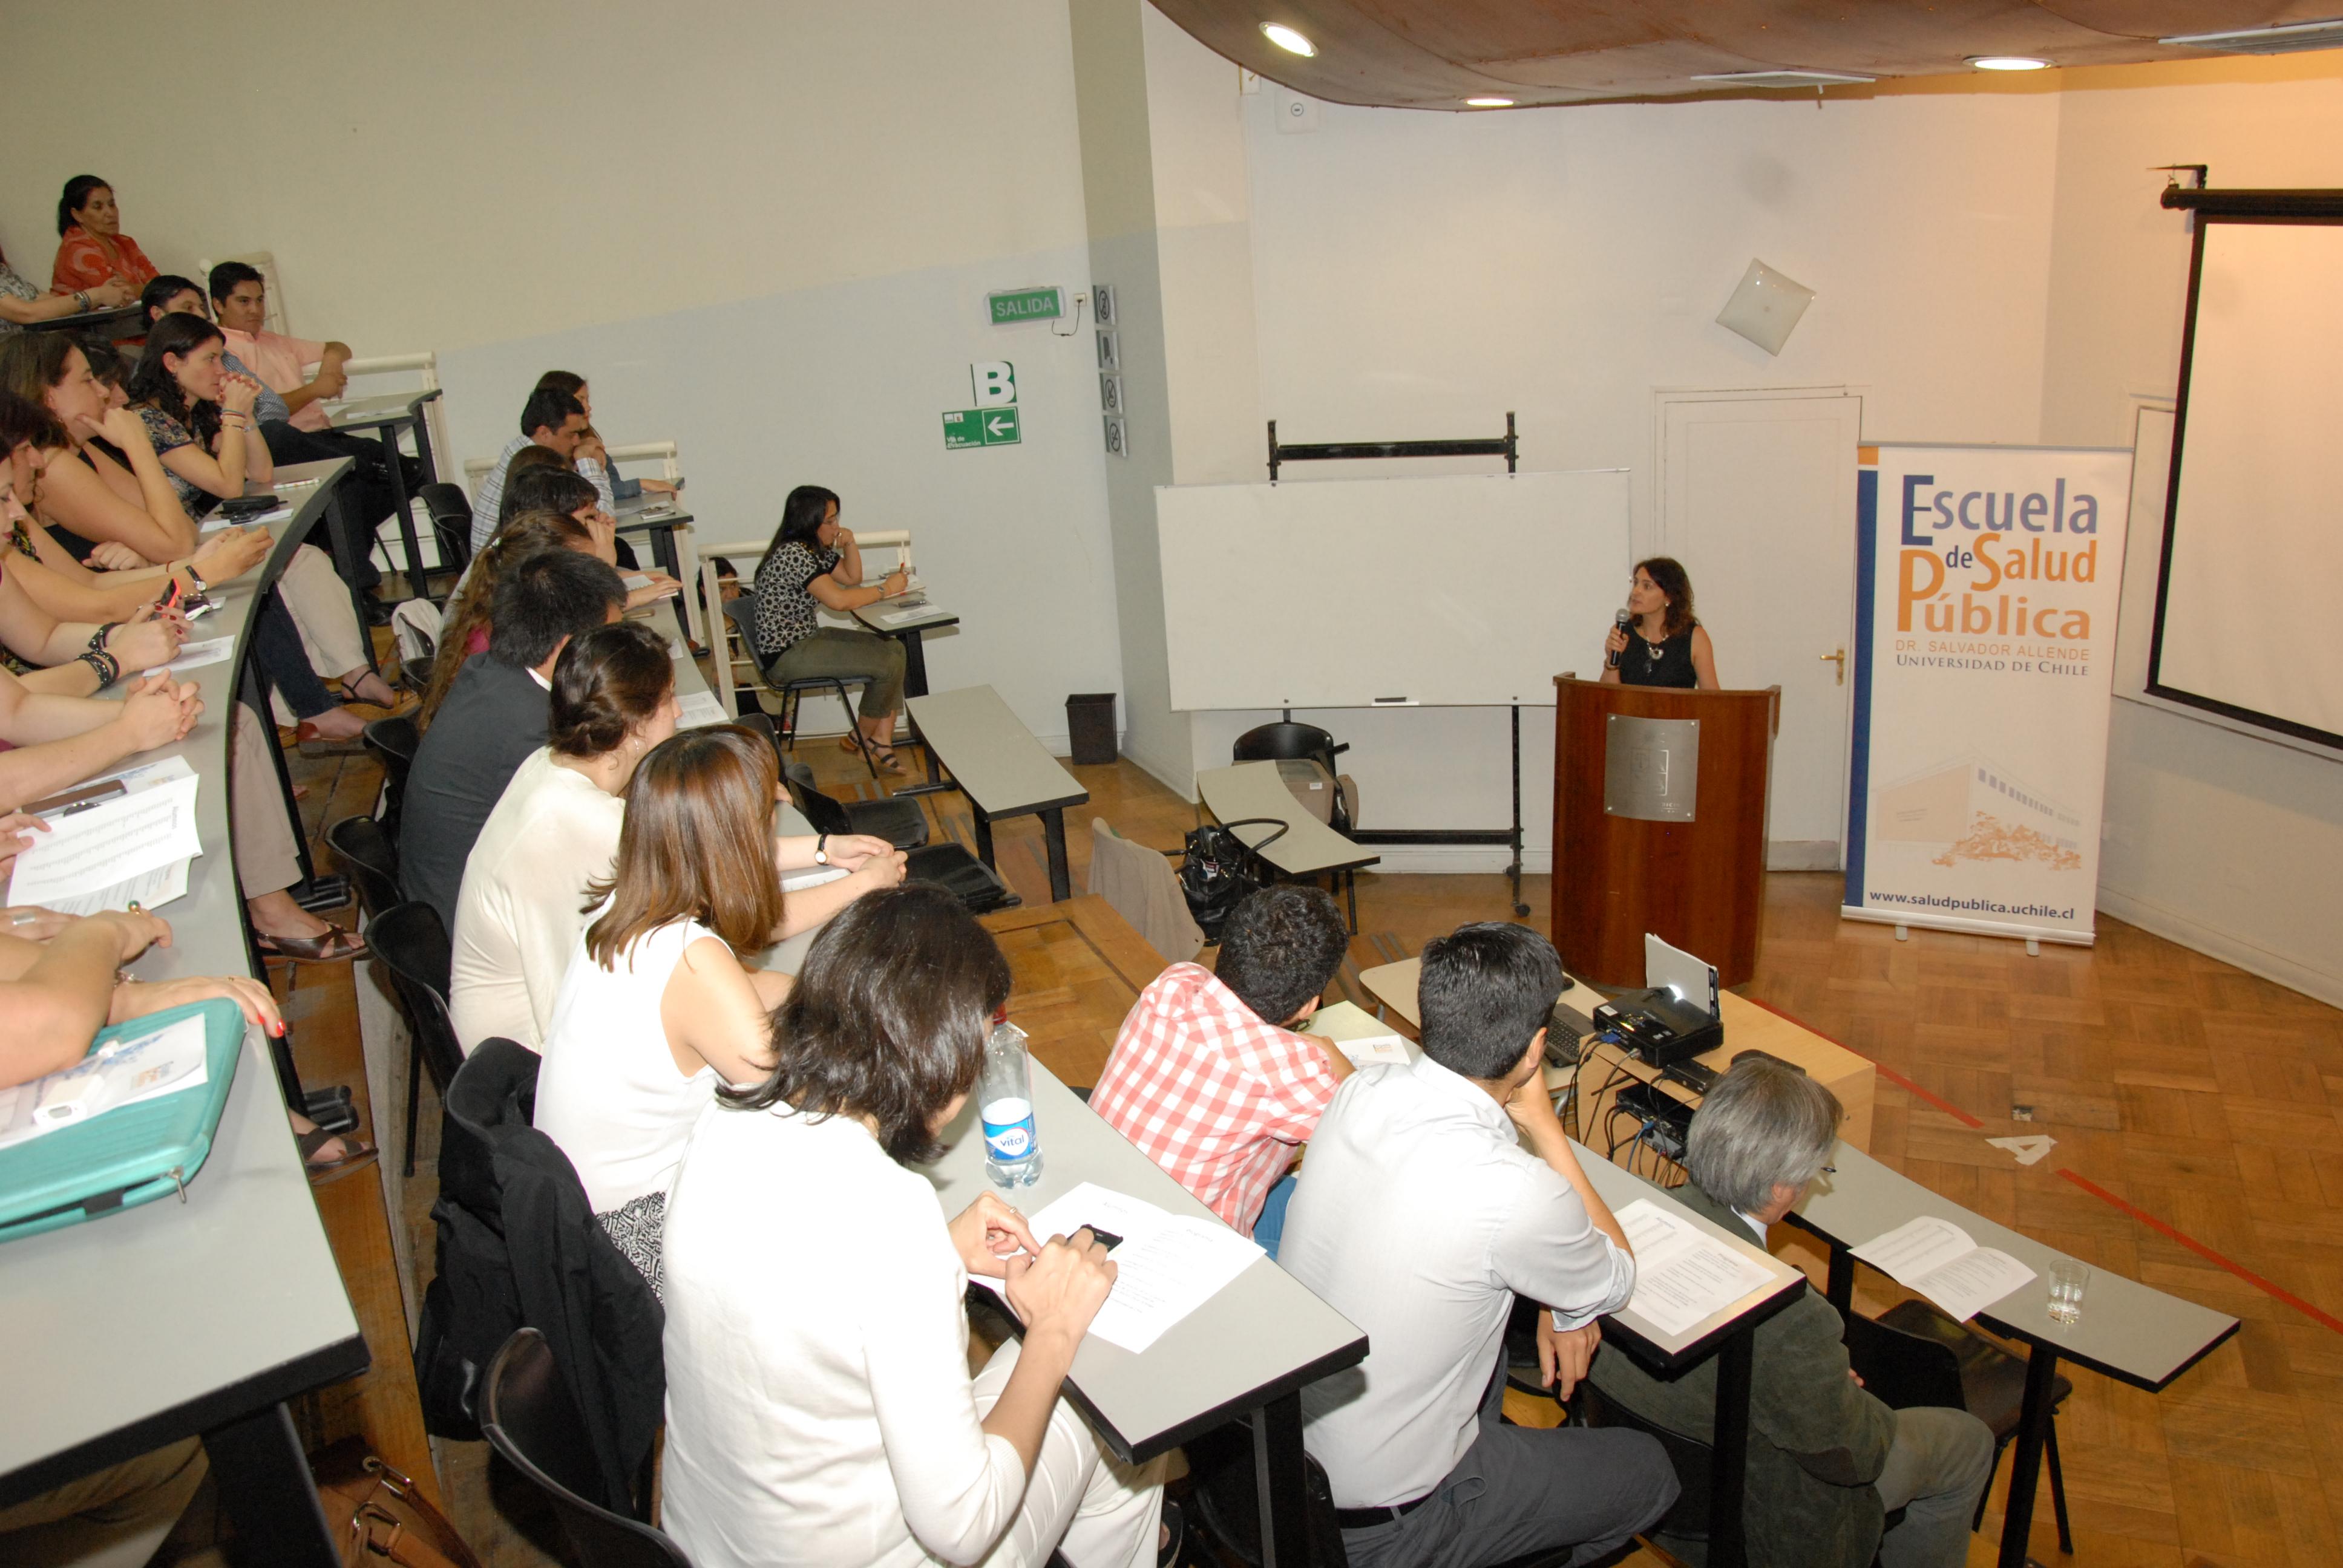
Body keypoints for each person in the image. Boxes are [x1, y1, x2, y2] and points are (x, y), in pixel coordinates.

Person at [660, 883, 1169, 1568]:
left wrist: (941, 1251)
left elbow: (808, 1292)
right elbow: (961, 1528)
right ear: (944, 1058)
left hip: (713, 1542)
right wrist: (1053, 1328)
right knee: (1105, 1389)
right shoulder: (889, 1216)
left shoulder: (726, 1120)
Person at [1279, 921, 1676, 1568]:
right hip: (1394, 1525)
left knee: (1485, 1358)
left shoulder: (1358, 1091)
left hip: (1290, 1457)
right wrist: (1546, 1128)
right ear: (1534, 1052)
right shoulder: (1515, 1190)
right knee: (1646, 1469)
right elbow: (1617, 1274)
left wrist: (1559, 1296)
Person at [534, 725, 906, 1292]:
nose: (779, 808)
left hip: (580, 1219)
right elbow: (810, 1117)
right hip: (630, 1250)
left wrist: (831, 999)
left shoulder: (629, 905)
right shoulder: (692, 963)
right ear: (735, 844)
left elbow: (749, 989)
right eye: (765, 816)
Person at [1588, 1058, 1993, 1568]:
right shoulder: (1795, 1321)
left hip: (1639, 1485)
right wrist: (1842, 1395)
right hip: (1759, 1520)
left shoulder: (1620, 1225)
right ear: (1781, 1189)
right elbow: (1855, 1454)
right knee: (1968, 1442)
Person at [448, 623, 895, 1052]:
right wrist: (862, 885)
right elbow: (743, 916)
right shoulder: (586, 823)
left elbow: (702, 848)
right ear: (635, 722)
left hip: (533, 1034)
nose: (679, 712)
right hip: (533, 1060)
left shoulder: (554, 766)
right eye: (668, 699)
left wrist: (823, 850)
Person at [1089, 885, 1352, 1255]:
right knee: (1345, 1233)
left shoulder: (1174, 984)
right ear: (1309, 1007)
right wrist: (1345, 1069)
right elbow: (1372, 1132)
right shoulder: (1286, 1071)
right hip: (1184, 1258)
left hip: (1094, 1211)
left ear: (1223, 951)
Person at [398, 548, 628, 932]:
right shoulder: (533, 728)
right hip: (484, 930)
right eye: (612, 639)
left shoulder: (489, 671)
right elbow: (606, 836)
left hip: (451, 902)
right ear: (571, 646)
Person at [749, 485, 911, 769]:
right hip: (788, 655)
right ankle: (864, 737)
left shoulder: (811, 548)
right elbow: (838, 601)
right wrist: (887, 589)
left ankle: (879, 740)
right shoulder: (793, 554)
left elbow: (851, 577)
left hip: (806, 640)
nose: (837, 526)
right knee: (887, 663)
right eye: (830, 521)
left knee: (895, 647)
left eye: (837, 518)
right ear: (809, 521)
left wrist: (849, 543)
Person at [534, 370, 681, 514]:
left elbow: (611, 485)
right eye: (580, 400)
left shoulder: (587, 439)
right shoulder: (545, 452)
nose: (588, 407)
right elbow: (589, 499)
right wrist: (641, 484)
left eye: (588, 400)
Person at [468, 384, 588, 550]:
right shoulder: (534, 466)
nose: (576, 441)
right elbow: (591, 515)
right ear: (544, 433)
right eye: (571, 434)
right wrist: (586, 460)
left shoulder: (520, 451)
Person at [1602, 556, 1720, 690]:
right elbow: (1608, 698)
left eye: (1647, 586)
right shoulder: (1623, 633)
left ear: (1669, 596)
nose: (1635, 592)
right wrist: (1612, 662)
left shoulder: (1694, 637)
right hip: (1630, 711)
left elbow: (1712, 700)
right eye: (1636, 583)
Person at [49, 177, 160, 297]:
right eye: (98, 207)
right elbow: (120, 294)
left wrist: (136, 289)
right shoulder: (77, 249)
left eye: (112, 205)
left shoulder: (125, 242)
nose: (110, 213)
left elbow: (162, 287)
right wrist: (145, 290)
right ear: (77, 215)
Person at [0, 241, 133, 333]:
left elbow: (48, 303)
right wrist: (95, 296)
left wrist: (105, 295)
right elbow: (27, 313)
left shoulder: (3, 272)